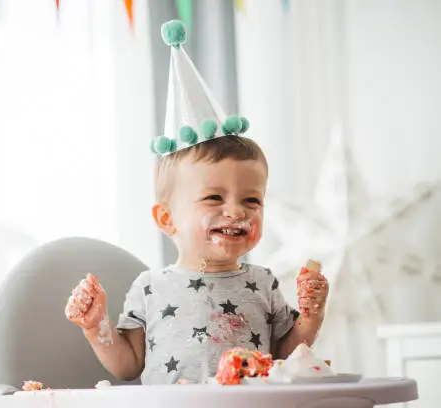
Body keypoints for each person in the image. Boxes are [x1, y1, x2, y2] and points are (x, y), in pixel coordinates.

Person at [65, 20, 328, 385]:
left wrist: (311, 318)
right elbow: (128, 366)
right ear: (166, 218)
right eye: (214, 198)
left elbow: (285, 357)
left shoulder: (263, 284)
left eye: (252, 199)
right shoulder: (150, 288)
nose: (237, 211)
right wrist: (97, 328)